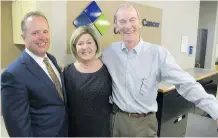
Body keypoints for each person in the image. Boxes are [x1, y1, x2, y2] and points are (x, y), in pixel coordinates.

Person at [101, 3, 218, 137]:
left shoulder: (158, 54)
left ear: (140, 23)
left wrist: (215, 110)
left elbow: (186, 84)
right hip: (116, 121)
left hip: (144, 123)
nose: (128, 26)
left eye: (132, 20)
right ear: (116, 25)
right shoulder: (109, 53)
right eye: (122, 21)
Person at [1, 11, 68, 137]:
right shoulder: (13, 75)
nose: (42, 37)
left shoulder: (51, 59)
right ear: (23, 37)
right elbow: (18, 129)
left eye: (45, 31)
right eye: (35, 33)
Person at [63, 26, 112, 137]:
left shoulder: (108, 69)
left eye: (89, 42)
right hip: (75, 131)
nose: (85, 47)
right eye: (80, 44)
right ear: (75, 47)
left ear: (96, 45)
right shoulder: (67, 73)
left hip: (102, 131)